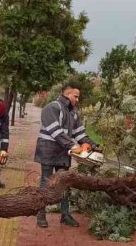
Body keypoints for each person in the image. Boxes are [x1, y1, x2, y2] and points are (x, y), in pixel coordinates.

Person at [33, 82, 93, 228]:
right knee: (46, 183)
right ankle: (41, 214)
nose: (77, 99)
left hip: (62, 152)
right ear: (67, 94)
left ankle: (65, 215)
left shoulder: (73, 112)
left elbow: (80, 133)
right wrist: (73, 146)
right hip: (48, 151)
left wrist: (92, 145)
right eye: (76, 96)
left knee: (64, 183)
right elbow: (56, 132)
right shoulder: (51, 108)